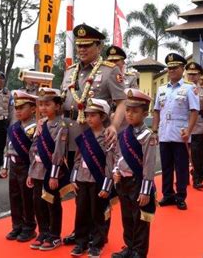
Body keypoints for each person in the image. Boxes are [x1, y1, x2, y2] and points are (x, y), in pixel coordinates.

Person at [60, 23, 126, 245]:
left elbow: (121, 103)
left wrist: (114, 127)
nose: (82, 49)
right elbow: (62, 102)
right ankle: (82, 230)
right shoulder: (70, 72)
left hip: (96, 139)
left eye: (87, 45)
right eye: (79, 45)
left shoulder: (109, 70)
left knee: (99, 190)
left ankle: (98, 235)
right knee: (79, 188)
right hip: (71, 137)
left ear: (99, 46)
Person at [109, 88, 157, 258]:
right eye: (127, 110)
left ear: (145, 114)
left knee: (140, 219)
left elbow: (149, 166)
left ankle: (139, 251)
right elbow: (117, 156)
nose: (129, 114)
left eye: (135, 111)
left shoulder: (147, 135)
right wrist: (116, 171)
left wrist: (146, 190)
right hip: (123, 181)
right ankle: (129, 247)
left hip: (138, 183)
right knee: (127, 217)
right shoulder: (124, 134)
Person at [152, 53, 199, 211]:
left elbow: (194, 111)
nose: (171, 70)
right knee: (166, 166)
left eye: (175, 68)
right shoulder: (161, 89)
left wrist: (189, 130)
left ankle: (180, 196)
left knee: (181, 167)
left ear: (182, 69)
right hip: (165, 133)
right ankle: (167, 194)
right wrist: (154, 130)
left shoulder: (189, 88)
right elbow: (156, 111)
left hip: (181, 134)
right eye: (169, 68)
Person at [70, 98, 114, 257]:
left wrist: (107, 186)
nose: (88, 118)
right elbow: (77, 159)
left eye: (93, 115)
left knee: (98, 213)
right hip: (82, 179)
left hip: (98, 181)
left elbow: (110, 163)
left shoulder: (108, 136)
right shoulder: (84, 135)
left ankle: (97, 244)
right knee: (81, 212)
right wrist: (73, 178)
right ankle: (81, 242)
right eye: (87, 115)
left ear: (102, 117)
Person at [27, 87, 69, 251]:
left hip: (51, 171)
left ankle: (54, 235)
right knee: (38, 203)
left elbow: (58, 152)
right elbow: (34, 148)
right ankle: (43, 232)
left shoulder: (62, 125)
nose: (43, 108)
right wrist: (31, 171)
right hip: (37, 170)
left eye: (47, 104)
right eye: (41, 104)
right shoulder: (41, 124)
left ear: (57, 106)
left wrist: (54, 175)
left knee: (52, 203)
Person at [2, 90, 38, 242]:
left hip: (26, 166)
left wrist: (32, 171)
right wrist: (5, 167)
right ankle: (17, 225)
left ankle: (29, 227)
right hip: (14, 166)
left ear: (33, 109)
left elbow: (35, 151)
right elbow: (7, 148)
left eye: (22, 107)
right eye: (16, 108)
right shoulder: (14, 127)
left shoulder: (36, 127)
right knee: (14, 197)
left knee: (27, 198)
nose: (18, 111)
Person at [185, 62, 203, 190]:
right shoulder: (181, 89)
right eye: (189, 74)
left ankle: (197, 179)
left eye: (194, 74)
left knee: (197, 154)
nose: (191, 76)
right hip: (183, 124)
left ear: (199, 75)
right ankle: (183, 177)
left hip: (198, 125)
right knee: (183, 153)